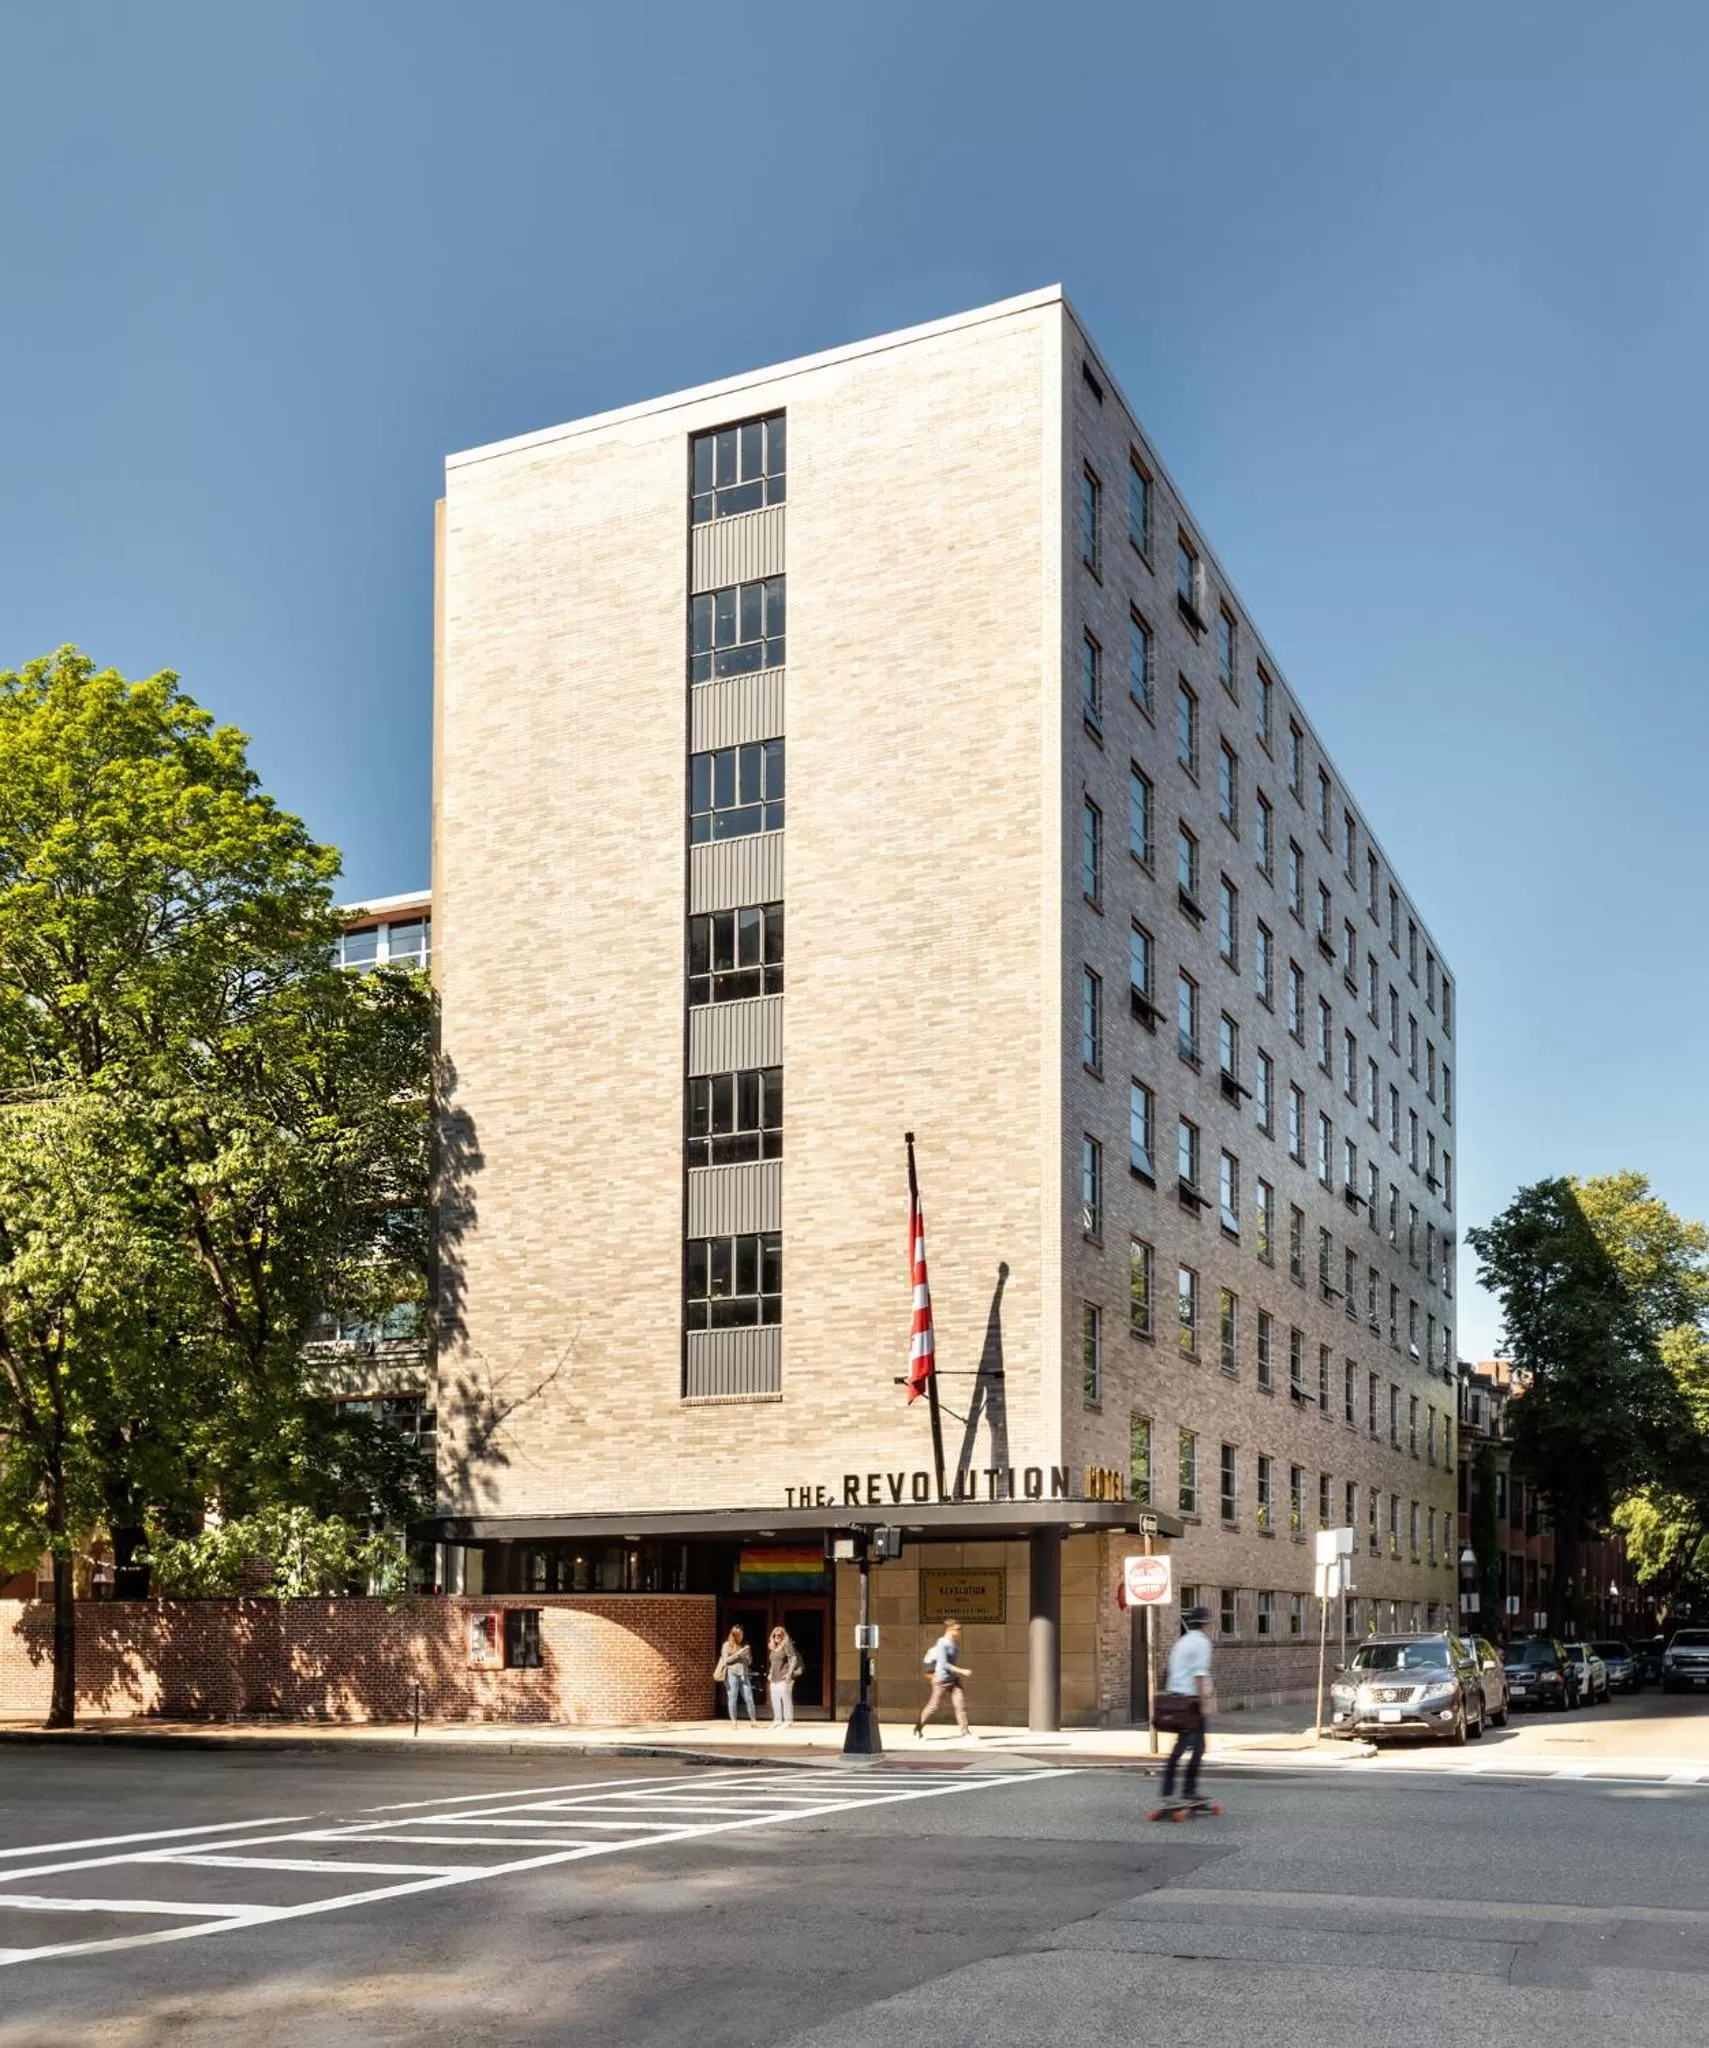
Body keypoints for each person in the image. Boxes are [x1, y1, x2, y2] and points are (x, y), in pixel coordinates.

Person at [1160, 1605, 1214, 1806]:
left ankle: (1172, 1790)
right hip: (1191, 1701)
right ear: (1206, 1623)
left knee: (1186, 1747)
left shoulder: (1181, 1642)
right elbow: (1199, 1675)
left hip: (1176, 1698)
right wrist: (1203, 1703)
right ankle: (1184, 1791)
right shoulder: (1202, 1643)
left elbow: (1169, 1670)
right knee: (1193, 1747)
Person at [915, 1618, 973, 1739]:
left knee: (960, 1705)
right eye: (957, 1629)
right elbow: (943, 1664)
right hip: (941, 1679)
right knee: (933, 1706)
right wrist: (962, 1670)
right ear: (949, 1629)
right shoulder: (942, 1643)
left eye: (960, 1629)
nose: (959, 1632)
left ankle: (965, 1732)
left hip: (953, 1680)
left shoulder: (955, 1644)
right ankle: (918, 1727)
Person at [716, 1625, 757, 1724]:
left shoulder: (744, 1645)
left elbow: (750, 1662)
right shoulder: (726, 1645)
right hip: (731, 1674)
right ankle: (734, 1722)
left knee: (749, 1698)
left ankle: (753, 1721)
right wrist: (739, 1653)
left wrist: (748, 1655)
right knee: (732, 1698)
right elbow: (726, 1660)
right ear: (734, 1635)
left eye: (742, 1635)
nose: (741, 1637)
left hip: (744, 1674)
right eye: (739, 1635)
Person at [768, 1625, 803, 1728]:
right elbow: (773, 1663)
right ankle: (777, 1720)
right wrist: (770, 1673)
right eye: (774, 1635)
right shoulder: (774, 1648)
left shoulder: (787, 1646)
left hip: (784, 1676)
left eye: (779, 1635)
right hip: (774, 1677)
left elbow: (794, 1659)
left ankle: (788, 1720)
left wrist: (789, 1673)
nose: (776, 1637)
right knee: (775, 1699)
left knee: (786, 1699)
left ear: (783, 1636)